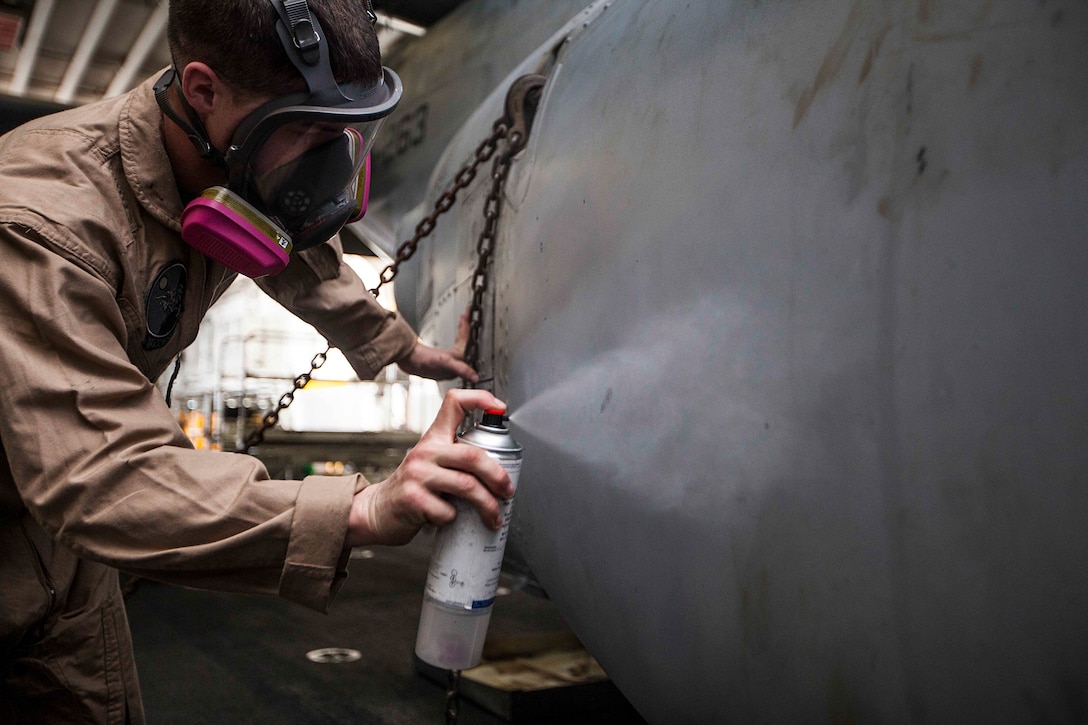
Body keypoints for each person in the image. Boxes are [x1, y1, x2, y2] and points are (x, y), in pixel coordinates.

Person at [0, 1, 512, 722]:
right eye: (308, 129)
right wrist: (363, 507)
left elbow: (302, 261)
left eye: (349, 130)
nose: (332, 160)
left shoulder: (227, 148)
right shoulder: (39, 224)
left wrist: (408, 350)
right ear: (204, 89)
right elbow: (99, 475)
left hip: (62, 567)